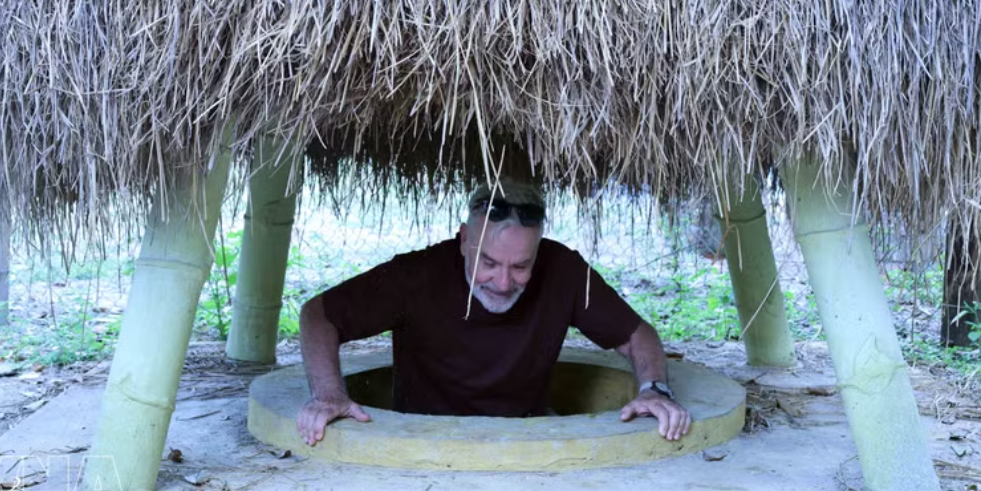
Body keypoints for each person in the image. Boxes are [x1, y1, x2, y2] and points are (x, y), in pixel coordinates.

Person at [295, 180, 690, 445]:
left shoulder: (563, 270)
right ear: (464, 240)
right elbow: (318, 315)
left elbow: (636, 334)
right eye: (488, 262)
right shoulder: (416, 275)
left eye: (520, 266)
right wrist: (329, 395)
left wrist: (654, 389)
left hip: (528, 440)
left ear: (539, 250)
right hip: (425, 442)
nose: (502, 282)